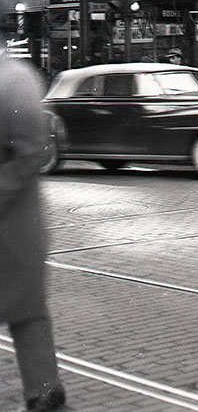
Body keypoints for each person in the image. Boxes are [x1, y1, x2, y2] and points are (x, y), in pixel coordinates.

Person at [0, 22, 67, 411]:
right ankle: (44, 392)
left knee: (27, 311)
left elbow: (30, 152)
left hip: (11, 223)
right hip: (18, 225)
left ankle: (44, 393)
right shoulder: (16, 78)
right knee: (28, 312)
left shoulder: (14, 81)